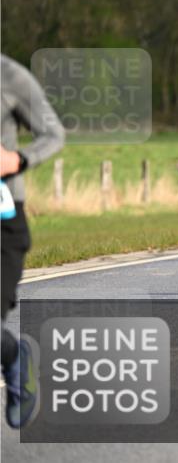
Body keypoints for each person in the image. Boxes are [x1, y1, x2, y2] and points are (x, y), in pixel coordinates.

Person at [2, 53, 66, 428]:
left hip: (2, 221)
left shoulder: (10, 76)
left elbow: (54, 133)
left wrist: (18, 160)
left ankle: (14, 359)